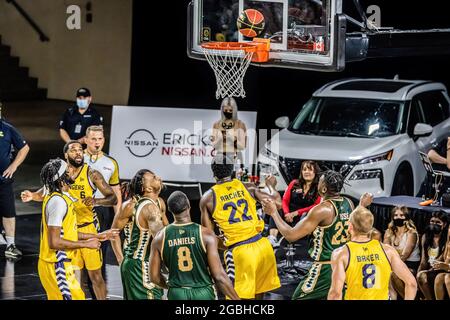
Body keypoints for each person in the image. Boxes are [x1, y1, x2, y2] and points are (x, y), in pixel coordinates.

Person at [21, 140, 117, 300]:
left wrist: (97, 231)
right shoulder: (58, 197)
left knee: (94, 277)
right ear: (66, 156)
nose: (79, 152)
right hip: (59, 252)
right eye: (74, 150)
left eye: (81, 149)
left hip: (83, 229)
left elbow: (112, 198)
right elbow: (55, 241)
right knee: (74, 282)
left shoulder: (89, 174)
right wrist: (33, 195)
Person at [262, 170, 373, 300]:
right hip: (345, 264)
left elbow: (291, 236)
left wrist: (274, 213)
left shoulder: (322, 210)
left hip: (325, 267)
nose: (317, 183)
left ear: (324, 188)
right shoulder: (348, 203)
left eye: (320, 181)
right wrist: (362, 205)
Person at [200, 155, 282, 299]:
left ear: (213, 173)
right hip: (263, 247)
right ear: (232, 171)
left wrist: (228, 245)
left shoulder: (208, 198)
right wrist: (271, 186)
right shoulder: (248, 186)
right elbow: (278, 204)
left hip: (241, 252)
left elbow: (208, 237)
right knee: (259, 296)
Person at [150, 191, 240, 300]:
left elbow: (154, 277)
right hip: (203, 292)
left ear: (169, 209)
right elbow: (219, 276)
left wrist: (171, 286)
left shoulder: (159, 238)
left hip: (177, 293)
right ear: (188, 205)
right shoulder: (206, 234)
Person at [328, 206, 417, 300]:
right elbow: (411, 284)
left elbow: (335, 294)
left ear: (350, 226)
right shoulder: (388, 251)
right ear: (371, 227)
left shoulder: (341, 253)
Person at [110, 169, 169, 300]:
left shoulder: (159, 202)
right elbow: (113, 233)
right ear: (147, 188)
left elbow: (167, 231)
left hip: (149, 263)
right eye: (153, 177)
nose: (158, 177)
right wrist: (121, 259)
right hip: (137, 264)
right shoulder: (131, 206)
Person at [84, 125, 122, 262]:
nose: (97, 142)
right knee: (82, 245)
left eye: (100, 139)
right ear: (86, 140)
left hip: (103, 208)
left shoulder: (111, 162)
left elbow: (116, 189)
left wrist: (119, 214)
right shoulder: (78, 158)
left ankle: (97, 278)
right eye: (93, 139)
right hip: (82, 208)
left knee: (101, 247)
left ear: (104, 140)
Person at [268, 160, 321, 247]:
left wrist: (296, 213)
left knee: (309, 214)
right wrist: (287, 213)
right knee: (277, 209)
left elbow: (316, 205)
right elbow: (285, 200)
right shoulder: (294, 183)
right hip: (288, 215)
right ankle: (272, 238)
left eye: (310, 169)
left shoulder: (319, 187)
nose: (306, 172)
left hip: (305, 216)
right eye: (304, 170)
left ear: (315, 172)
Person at [0, 106, 30, 258]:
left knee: (8, 211)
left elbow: (24, 148)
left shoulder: (7, 129)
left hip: (3, 180)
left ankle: (10, 245)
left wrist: (14, 165)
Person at [383, 206, 421, 299]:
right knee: (385, 272)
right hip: (394, 263)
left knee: (393, 273)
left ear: (406, 217)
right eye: (395, 215)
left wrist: (392, 265)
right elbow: (385, 251)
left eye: (401, 215)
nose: (398, 217)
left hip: (410, 264)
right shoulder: (389, 232)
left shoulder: (412, 233)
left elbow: (405, 255)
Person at [416, 210, 449, 300]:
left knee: (422, 276)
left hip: (441, 269)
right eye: (432, 221)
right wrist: (418, 274)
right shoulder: (425, 237)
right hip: (430, 269)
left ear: (444, 225)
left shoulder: (447, 238)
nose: (434, 224)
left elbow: (442, 259)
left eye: (438, 222)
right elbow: (423, 260)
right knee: (419, 276)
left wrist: (426, 272)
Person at [211, 97, 247, 163]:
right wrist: (220, 139)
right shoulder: (216, 124)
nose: (228, 112)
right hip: (220, 157)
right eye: (226, 110)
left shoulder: (240, 124)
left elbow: (242, 146)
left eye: (230, 110)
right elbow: (214, 145)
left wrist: (231, 138)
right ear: (222, 110)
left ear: (234, 110)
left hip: (235, 156)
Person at [433, 228, 450, 299]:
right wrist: (439, 264)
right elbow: (446, 261)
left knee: (448, 278)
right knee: (439, 277)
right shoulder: (448, 243)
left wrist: (448, 267)